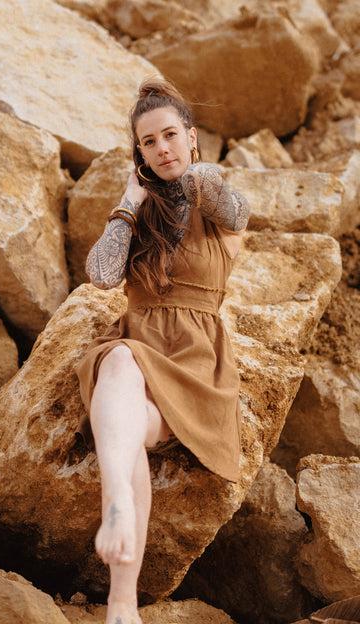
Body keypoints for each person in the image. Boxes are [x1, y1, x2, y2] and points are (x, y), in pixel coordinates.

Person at [75, 77, 250, 624]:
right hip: (139, 345)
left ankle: (121, 580)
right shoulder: (139, 208)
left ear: (191, 136)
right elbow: (101, 276)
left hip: (196, 364)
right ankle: (121, 584)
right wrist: (129, 202)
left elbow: (223, 200)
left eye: (170, 135)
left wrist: (183, 175)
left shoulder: (216, 193)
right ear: (138, 152)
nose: (162, 149)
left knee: (120, 422)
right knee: (121, 361)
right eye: (148, 142)